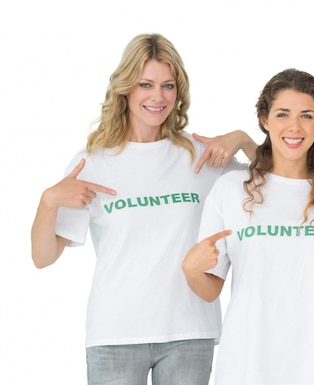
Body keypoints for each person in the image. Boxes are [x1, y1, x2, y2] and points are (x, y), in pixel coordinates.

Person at [31, 33, 257, 385]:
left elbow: (276, 183)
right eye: (145, 84)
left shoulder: (201, 157)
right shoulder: (92, 163)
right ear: (125, 88)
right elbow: (43, 257)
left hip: (189, 330)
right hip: (115, 334)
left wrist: (244, 139)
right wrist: (47, 202)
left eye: (168, 85)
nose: (158, 96)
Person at [182, 68, 314, 385]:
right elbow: (210, 290)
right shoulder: (231, 189)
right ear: (265, 120)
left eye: (306, 116)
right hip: (247, 369)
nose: (294, 127)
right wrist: (191, 270)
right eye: (283, 114)